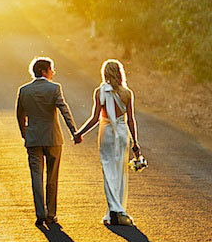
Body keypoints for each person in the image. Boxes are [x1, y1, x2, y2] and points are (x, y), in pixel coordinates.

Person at [15, 56, 80, 227]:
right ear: (44, 71)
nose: (53, 72)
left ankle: (40, 213)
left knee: (36, 175)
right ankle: (51, 214)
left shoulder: (24, 90)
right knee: (52, 176)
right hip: (53, 138)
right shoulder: (54, 88)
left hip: (33, 138)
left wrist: (25, 133)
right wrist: (74, 131)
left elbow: (19, 115)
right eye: (51, 69)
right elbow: (64, 110)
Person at [76, 58, 141, 226]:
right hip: (121, 132)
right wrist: (136, 143)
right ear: (120, 73)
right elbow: (131, 120)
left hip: (106, 133)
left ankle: (113, 209)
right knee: (120, 171)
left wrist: (79, 133)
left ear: (105, 73)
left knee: (108, 170)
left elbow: (95, 118)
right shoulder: (127, 93)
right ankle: (118, 209)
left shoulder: (100, 92)